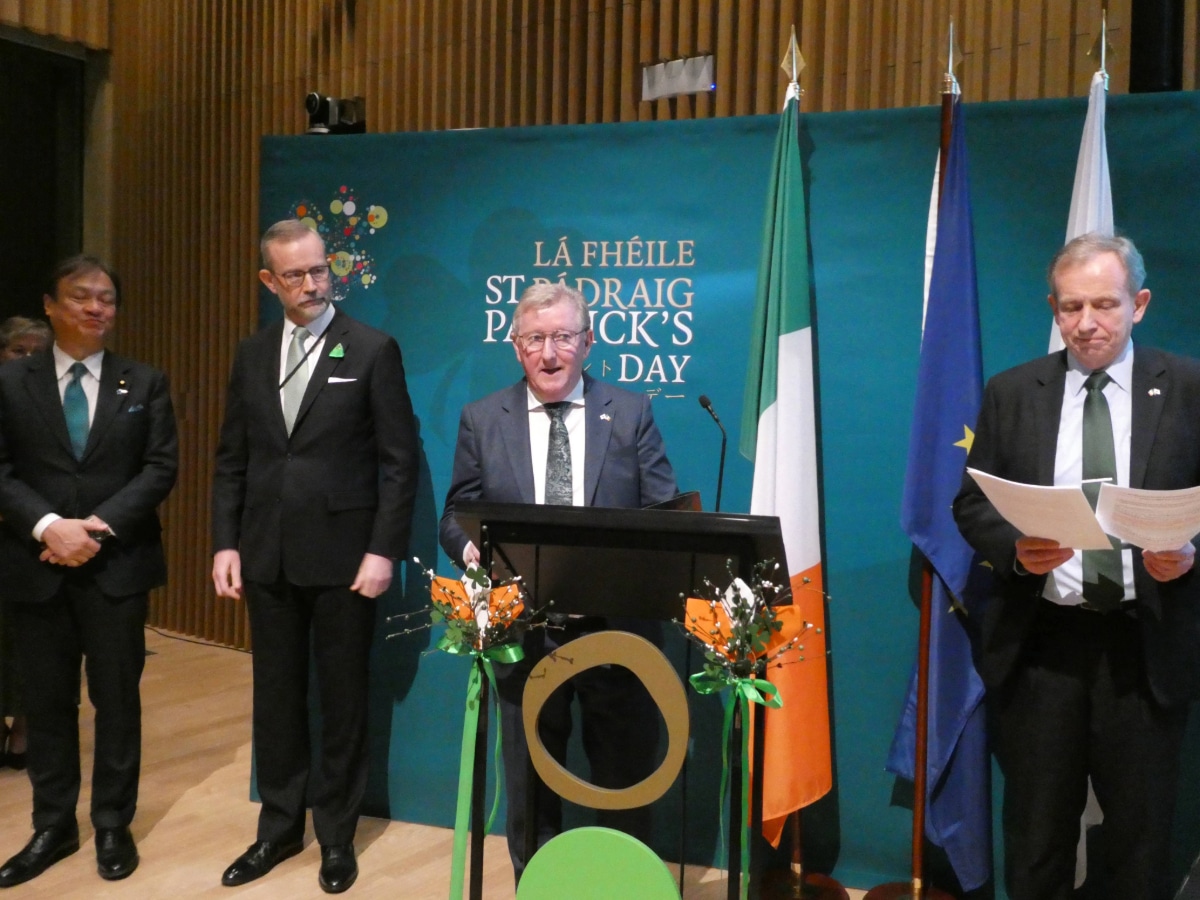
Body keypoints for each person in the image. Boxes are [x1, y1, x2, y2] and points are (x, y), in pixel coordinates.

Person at [953, 233, 1200, 900]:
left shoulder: (1186, 388)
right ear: (1053, 309)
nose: (1086, 323)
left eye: (1103, 305)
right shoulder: (1012, 393)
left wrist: (1190, 554)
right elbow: (972, 503)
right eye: (1070, 308)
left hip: (1143, 645)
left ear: (1139, 304)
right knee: (1036, 837)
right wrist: (1012, 546)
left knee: (1139, 844)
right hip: (1042, 648)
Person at [439, 281, 678, 882]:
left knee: (622, 779)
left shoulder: (630, 412)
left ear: (588, 343)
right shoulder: (481, 420)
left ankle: (621, 886)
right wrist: (471, 551)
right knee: (529, 785)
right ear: (516, 346)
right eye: (535, 339)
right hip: (525, 635)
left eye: (563, 338)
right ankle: (537, 885)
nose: (549, 353)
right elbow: (455, 514)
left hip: (617, 634)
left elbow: (665, 512)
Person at [212, 219, 418, 894]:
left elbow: (398, 462)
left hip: (344, 560)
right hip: (266, 555)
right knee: (275, 699)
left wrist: (383, 549)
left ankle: (336, 836)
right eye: (294, 274)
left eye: (319, 269)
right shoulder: (251, 354)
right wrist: (225, 542)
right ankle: (276, 830)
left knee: (342, 700)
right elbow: (232, 460)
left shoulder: (372, 349)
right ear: (269, 281)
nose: (310, 283)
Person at [0, 258, 178, 887]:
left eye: (107, 298)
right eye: (81, 297)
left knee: (117, 700)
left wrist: (93, 529)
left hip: (116, 567)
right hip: (35, 564)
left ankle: (111, 823)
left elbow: (159, 469)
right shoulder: (11, 382)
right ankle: (52, 824)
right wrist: (50, 526)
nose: (96, 307)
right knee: (46, 702)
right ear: (50, 305)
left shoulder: (145, 382)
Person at [0, 317, 52, 773]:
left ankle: (24, 734)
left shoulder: (57, 402)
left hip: (36, 540)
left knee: (31, 646)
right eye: (19, 351)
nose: (29, 360)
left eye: (39, 352)